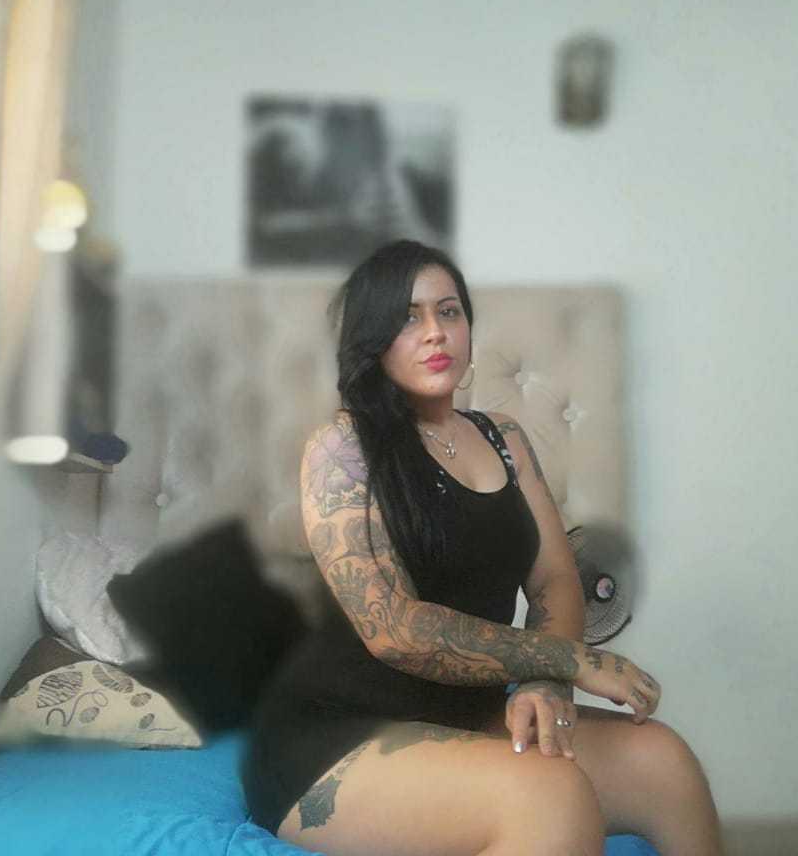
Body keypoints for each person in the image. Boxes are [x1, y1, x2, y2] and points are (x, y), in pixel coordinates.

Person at [242, 240, 722, 855]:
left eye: (449, 311)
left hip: (469, 713)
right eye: (407, 317)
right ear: (373, 339)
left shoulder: (506, 440)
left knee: (663, 760)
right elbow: (392, 628)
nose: (435, 332)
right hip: (338, 730)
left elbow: (554, 581)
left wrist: (547, 685)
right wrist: (569, 660)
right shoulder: (342, 448)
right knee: (551, 793)